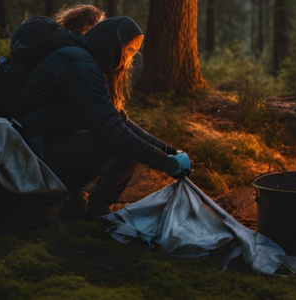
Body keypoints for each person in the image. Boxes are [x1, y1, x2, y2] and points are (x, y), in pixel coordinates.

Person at [17, 16, 191, 220]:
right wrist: (165, 163)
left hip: (42, 145)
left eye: (133, 53)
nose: (129, 59)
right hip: (32, 155)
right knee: (118, 141)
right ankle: (47, 202)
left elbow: (121, 122)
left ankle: (92, 206)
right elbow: (110, 130)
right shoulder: (80, 65)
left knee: (123, 139)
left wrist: (170, 152)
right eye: (127, 50)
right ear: (112, 44)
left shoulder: (84, 62)